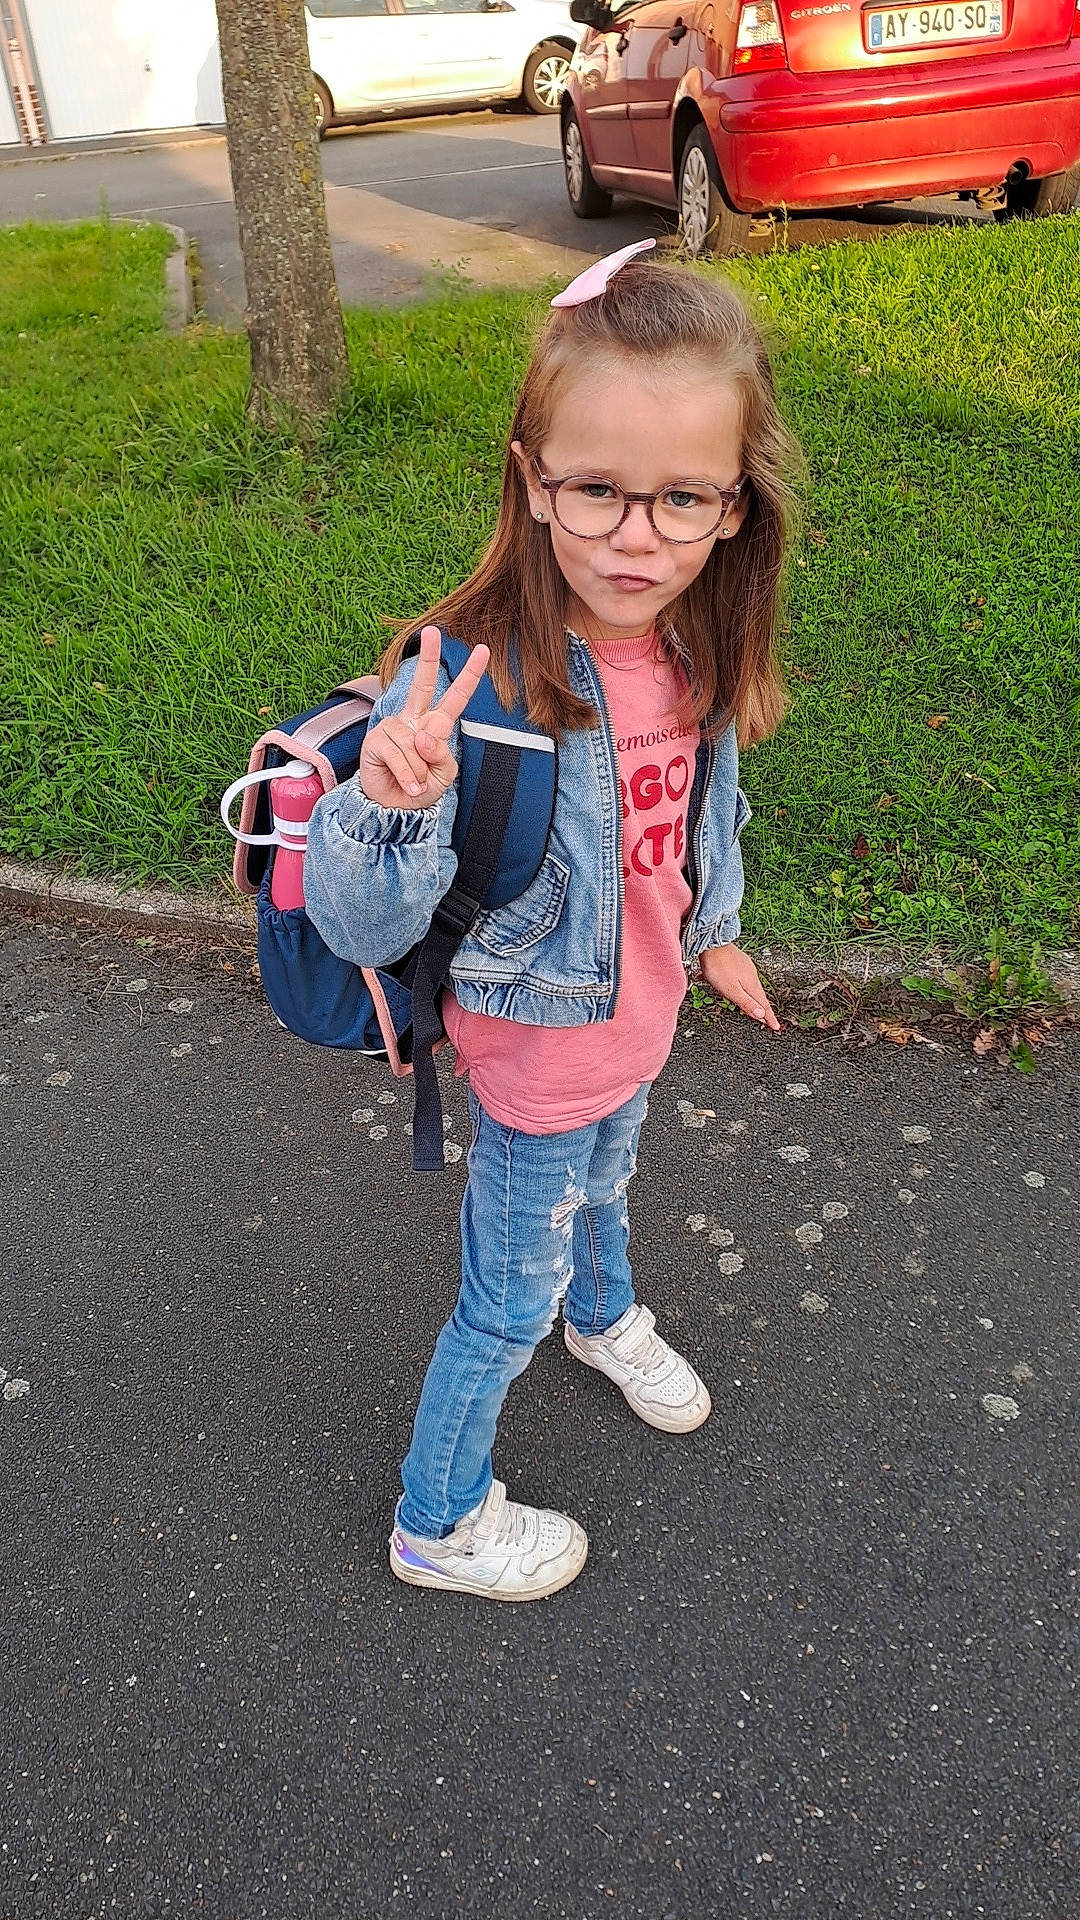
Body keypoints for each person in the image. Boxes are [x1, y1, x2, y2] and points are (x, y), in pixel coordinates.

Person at [304, 241, 797, 1604]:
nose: (637, 537)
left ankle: (605, 1316)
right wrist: (391, 805)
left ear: (735, 508)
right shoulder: (469, 683)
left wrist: (716, 935)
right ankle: (439, 1520)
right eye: (597, 491)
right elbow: (357, 917)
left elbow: (706, 812)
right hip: (533, 1059)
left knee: (615, 1183)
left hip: (636, 1024)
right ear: (531, 482)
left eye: (682, 498)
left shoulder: (691, 648)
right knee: (496, 1306)